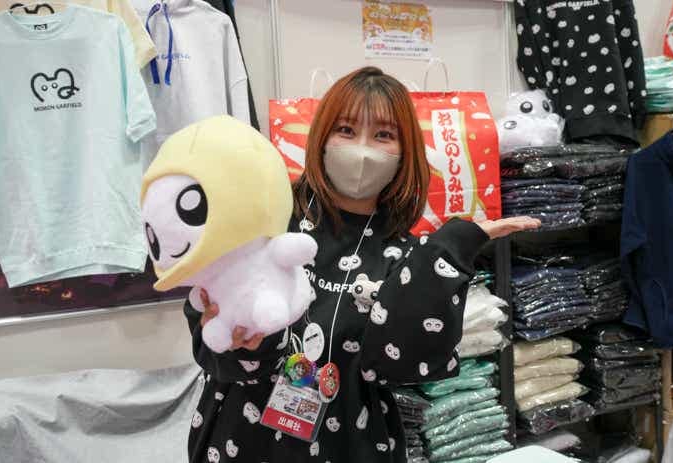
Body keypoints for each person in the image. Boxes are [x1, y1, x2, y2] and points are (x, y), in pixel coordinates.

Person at [184, 66, 540, 462]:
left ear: (405, 151)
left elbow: (403, 364)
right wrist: (241, 339)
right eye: (346, 130)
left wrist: (452, 248)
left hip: (349, 443)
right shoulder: (268, 219)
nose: (363, 150)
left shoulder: (407, 255)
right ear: (321, 137)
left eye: (383, 135)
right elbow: (209, 342)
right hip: (242, 439)